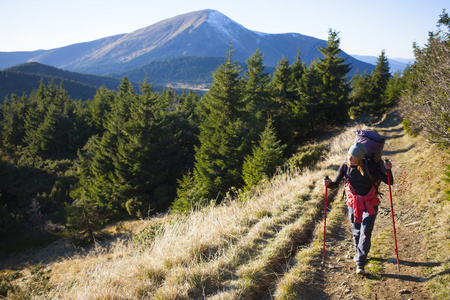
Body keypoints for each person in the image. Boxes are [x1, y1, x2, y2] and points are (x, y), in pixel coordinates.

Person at [324, 142, 393, 275]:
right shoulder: (345, 166)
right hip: (353, 203)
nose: (349, 158)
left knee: (365, 231)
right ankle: (359, 254)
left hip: (370, 203)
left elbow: (389, 182)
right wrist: (327, 184)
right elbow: (334, 185)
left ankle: (360, 263)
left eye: (352, 156)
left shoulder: (370, 167)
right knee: (356, 231)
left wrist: (389, 170)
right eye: (349, 155)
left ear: (360, 158)